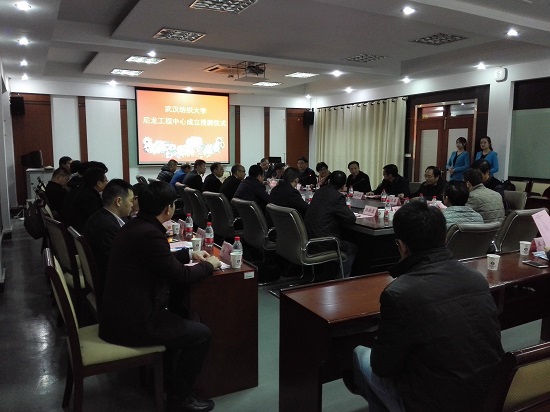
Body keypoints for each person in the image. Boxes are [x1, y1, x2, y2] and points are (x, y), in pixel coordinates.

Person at [349, 201, 503, 412]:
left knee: (360, 355)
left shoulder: (399, 293)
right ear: (444, 238)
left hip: (436, 403)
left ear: (401, 246)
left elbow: (382, 366)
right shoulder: (477, 278)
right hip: (489, 394)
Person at [99, 181, 221, 412]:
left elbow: (159, 261)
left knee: (181, 315)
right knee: (201, 334)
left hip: (121, 314)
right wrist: (209, 265)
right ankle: (179, 399)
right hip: (133, 323)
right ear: (168, 208)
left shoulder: (136, 226)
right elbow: (181, 276)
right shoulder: (149, 234)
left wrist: (189, 254)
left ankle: (165, 380)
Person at [84, 179, 134, 307]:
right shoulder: (106, 227)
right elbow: (116, 264)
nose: (132, 205)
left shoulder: (102, 217)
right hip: (112, 286)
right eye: (131, 200)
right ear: (118, 201)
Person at [305, 171, 357, 277]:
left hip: (310, 237)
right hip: (324, 242)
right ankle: (342, 280)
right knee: (352, 248)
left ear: (329, 180)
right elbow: (351, 218)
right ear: (343, 185)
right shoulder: (337, 197)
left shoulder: (319, 191)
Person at [62, 167, 108, 232]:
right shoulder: (90, 197)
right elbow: (98, 220)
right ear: (99, 183)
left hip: (74, 230)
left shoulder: (83, 191)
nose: (107, 182)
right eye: (106, 180)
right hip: (83, 232)